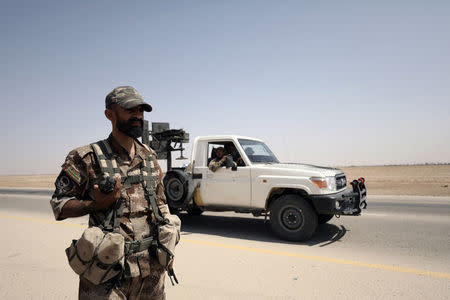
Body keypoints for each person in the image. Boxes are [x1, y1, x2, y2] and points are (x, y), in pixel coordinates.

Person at [50, 86, 177, 299]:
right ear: (110, 114)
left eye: (140, 110)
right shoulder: (85, 158)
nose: (137, 115)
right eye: (130, 110)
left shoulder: (149, 157)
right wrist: (95, 204)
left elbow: (161, 205)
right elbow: (59, 205)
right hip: (107, 274)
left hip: (152, 272)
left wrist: (169, 249)